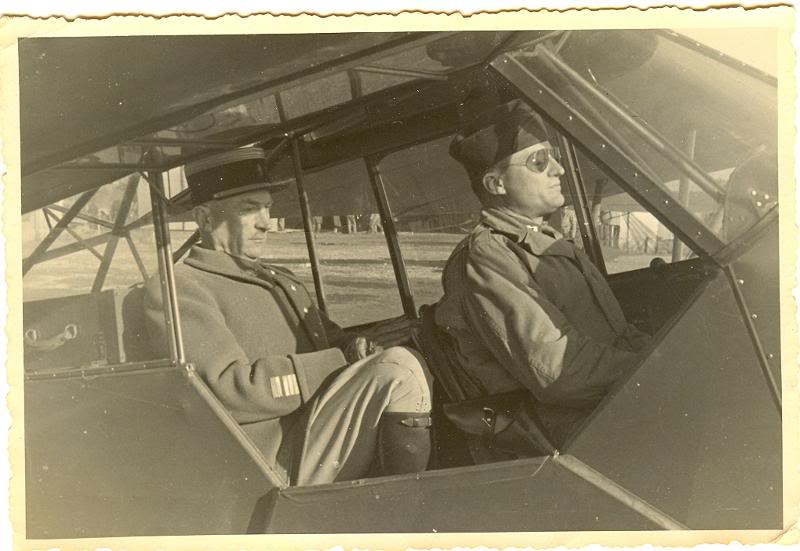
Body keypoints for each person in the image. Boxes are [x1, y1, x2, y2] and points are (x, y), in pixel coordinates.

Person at [144, 147, 432, 486]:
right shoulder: (182, 287)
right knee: (399, 369)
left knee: (414, 353)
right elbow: (226, 391)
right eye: (249, 209)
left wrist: (361, 344)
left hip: (313, 432)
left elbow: (331, 340)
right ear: (205, 218)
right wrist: (341, 358)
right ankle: (406, 506)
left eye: (267, 207)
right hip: (267, 462)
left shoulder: (280, 279)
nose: (266, 222)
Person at [435, 100, 649, 445]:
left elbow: (618, 335)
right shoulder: (490, 255)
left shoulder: (544, 240)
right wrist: (655, 370)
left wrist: (661, 356)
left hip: (613, 400)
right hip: (578, 428)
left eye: (553, 156)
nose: (559, 170)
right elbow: (560, 373)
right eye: (539, 161)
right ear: (496, 184)